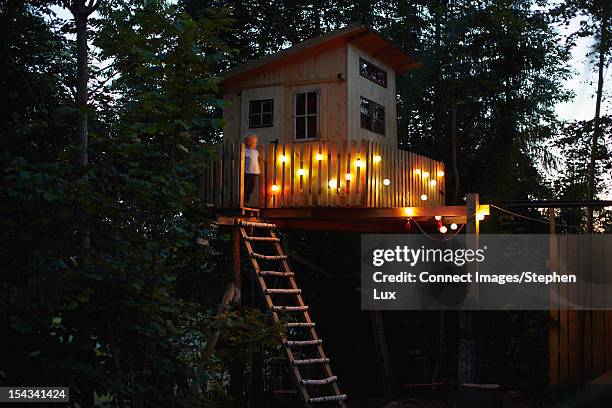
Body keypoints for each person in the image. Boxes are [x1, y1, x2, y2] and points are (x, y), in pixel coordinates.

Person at [243, 132, 260, 205]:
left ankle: (246, 200)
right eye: (255, 142)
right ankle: (244, 201)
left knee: (251, 188)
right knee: (245, 187)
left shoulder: (256, 152)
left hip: (254, 172)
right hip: (247, 172)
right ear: (250, 143)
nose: (256, 144)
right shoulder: (244, 151)